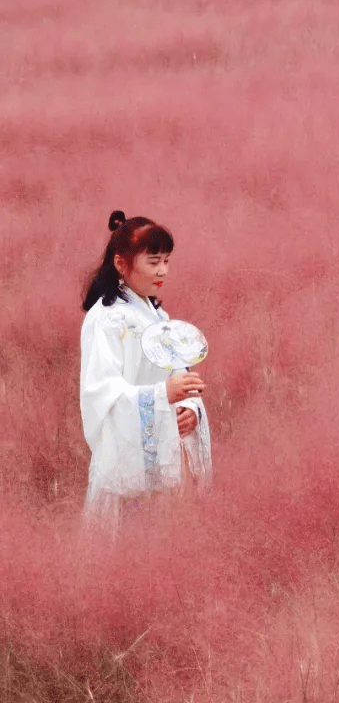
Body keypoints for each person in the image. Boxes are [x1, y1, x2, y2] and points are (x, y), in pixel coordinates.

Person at [80, 210, 211, 531]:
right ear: (121, 264)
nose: (163, 270)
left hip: (163, 452)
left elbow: (179, 371)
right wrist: (161, 395)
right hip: (124, 463)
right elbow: (102, 393)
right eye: (153, 262)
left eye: (166, 260)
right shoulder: (107, 320)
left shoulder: (156, 314)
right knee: (122, 547)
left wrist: (189, 408)